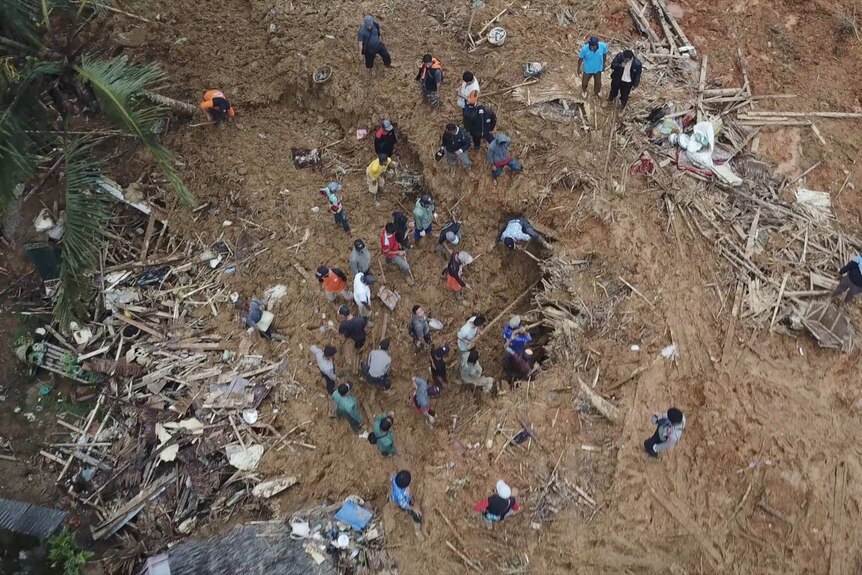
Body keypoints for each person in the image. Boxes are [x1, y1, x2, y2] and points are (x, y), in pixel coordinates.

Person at [578, 35, 608, 99]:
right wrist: (578, 68)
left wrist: (603, 64)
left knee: (598, 83)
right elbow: (580, 59)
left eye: (594, 46)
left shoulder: (603, 46)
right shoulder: (584, 49)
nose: (592, 48)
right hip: (587, 69)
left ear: (597, 44)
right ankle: (584, 91)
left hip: (598, 69)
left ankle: (597, 92)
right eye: (591, 46)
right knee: (584, 82)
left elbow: (604, 54)